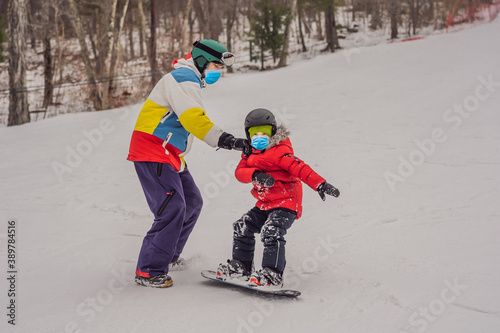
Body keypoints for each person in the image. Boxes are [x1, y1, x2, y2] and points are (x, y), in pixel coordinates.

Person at [128, 40, 248, 288]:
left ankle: (168, 254)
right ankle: (149, 270)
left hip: (170, 153)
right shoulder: (183, 78)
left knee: (192, 203)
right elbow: (193, 118)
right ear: (202, 61)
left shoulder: (190, 79)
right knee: (172, 207)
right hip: (153, 150)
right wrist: (226, 140)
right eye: (216, 65)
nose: (218, 71)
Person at [217, 108, 340, 287]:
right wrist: (255, 175)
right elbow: (239, 173)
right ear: (247, 134)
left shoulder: (279, 151)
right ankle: (241, 267)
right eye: (254, 133)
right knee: (242, 226)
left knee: (271, 231)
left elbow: (300, 168)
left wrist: (319, 183)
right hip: (265, 203)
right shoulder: (249, 153)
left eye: (264, 132)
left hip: (287, 202)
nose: (259, 136)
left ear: (273, 131)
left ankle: (272, 274)